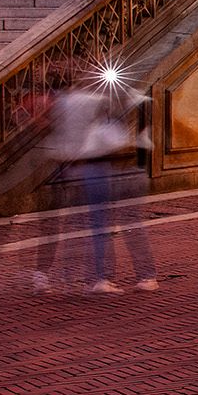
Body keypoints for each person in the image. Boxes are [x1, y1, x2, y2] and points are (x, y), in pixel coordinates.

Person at [33, 62, 160, 292]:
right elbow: (133, 118)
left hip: (74, 167)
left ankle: (77, 276)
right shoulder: (95, 101)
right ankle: (120, 276)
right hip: (105, 166)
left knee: (83, 223)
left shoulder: (62, 103)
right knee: (114, 222)